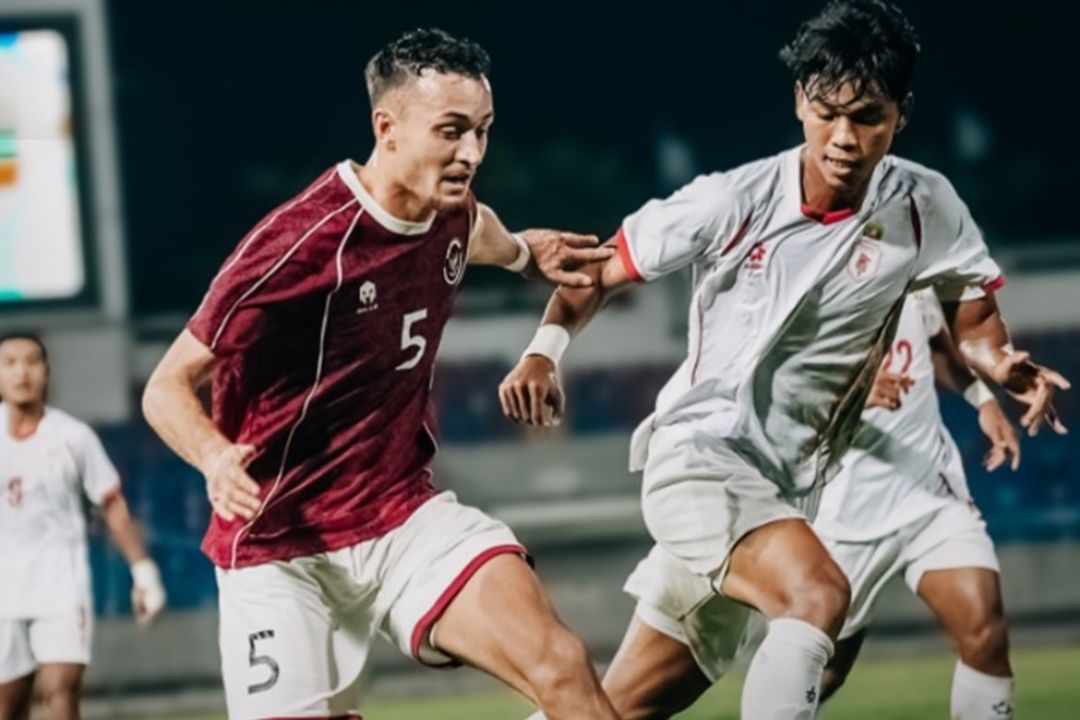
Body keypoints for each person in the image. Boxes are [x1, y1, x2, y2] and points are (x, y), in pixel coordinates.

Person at [501, 2, 1069, 717]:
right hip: (700, 458)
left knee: (619, 706)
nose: (844, 137)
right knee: (819, 594)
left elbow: (972, 308)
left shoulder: (926, 204)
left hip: (779, 489)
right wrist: (542, 353)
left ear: (903, 113)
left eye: (867, 116)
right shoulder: (732, 199)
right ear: (800, 99)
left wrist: (1001, 363)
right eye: (827, 111)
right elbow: (598, 270)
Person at [142, 28, 620, 720]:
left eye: (483, 132)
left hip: (399, 516)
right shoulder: (299, 246)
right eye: (452, 131)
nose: (471, 153)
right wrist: (215, 457)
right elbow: (165, 386)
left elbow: (485, 233)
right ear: (387, 128)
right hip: (281, 545)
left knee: (562, 664)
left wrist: (524, 255)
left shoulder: (451, 212)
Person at [809, 288, 1021, 717]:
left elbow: (939, 345)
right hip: (841, 512)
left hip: (929, 493)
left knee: (985, 632)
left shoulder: (913, 264)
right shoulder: (809, 281)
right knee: (822, 669)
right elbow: (773, 382)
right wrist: (849, 394)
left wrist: (981, 400)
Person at [0, 332, 166, 720]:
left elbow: (112, 505)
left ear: (47, 371)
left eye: (31, 361)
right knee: (8, 708)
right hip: (4, 591)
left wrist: (144, 573)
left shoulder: (73, 437)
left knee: (59, 694)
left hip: (61, 587)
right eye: (9, 362)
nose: (22, 372)